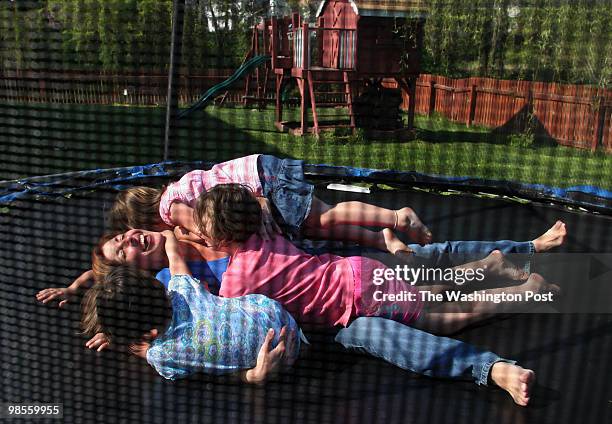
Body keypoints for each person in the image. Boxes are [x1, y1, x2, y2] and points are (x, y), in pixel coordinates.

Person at [193, 184, 561, 335]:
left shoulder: (235, 282)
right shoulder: (265, 228)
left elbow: (219, 314)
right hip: (357, 270)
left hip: (360, 298)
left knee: (446, 319)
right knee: (428, 288)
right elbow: (257, 198)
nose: (201, 236)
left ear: (223, 238)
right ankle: (489, 265)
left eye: (204, 231)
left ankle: (528, 288)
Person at [81, 230, 301, 382]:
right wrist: (167, 234)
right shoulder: (182, 290)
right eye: (121, 251)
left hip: (280, 360)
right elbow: (173, 251)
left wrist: (120, 339)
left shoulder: (161, 355)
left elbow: (144, 350)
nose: (128, 240)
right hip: (279, 316)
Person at [107, 154, 432, 255]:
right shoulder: (175, 190)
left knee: (325, 216)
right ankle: (381, 238)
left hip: (263, 181)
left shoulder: (168, 207)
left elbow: (205, 225)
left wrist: (194, 236)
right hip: (262, 172)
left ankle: (398, 217)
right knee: (316, 227)